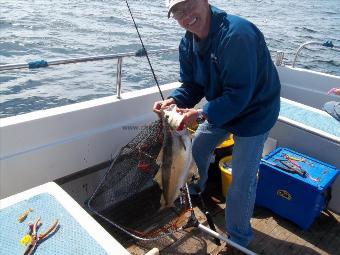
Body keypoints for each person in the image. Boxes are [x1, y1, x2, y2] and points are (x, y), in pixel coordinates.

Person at [153, 0, 281, 253]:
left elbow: (239, 94)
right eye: (178, 11)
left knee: (242, 182)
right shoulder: (187, 42)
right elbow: (192, 85)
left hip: (256, 112)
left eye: (190, 4)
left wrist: (201, 115)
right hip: (222, 108)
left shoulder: (237, 34)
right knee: (196, 152)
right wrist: (174, 100)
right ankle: (190, 201)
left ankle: (238, 241)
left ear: (205, 1)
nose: (186, 15)